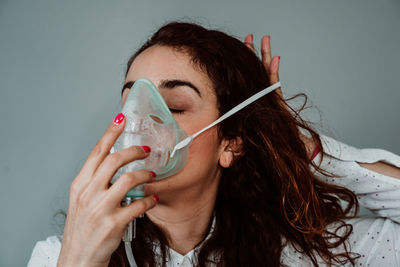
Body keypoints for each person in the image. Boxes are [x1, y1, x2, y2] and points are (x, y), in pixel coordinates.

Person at [27, 21, 400, 267]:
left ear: (231, 145)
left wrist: (293, 144)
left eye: (173, 106)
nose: (142, 123)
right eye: (132, 103)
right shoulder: (55, 257)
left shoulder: (312, 255)